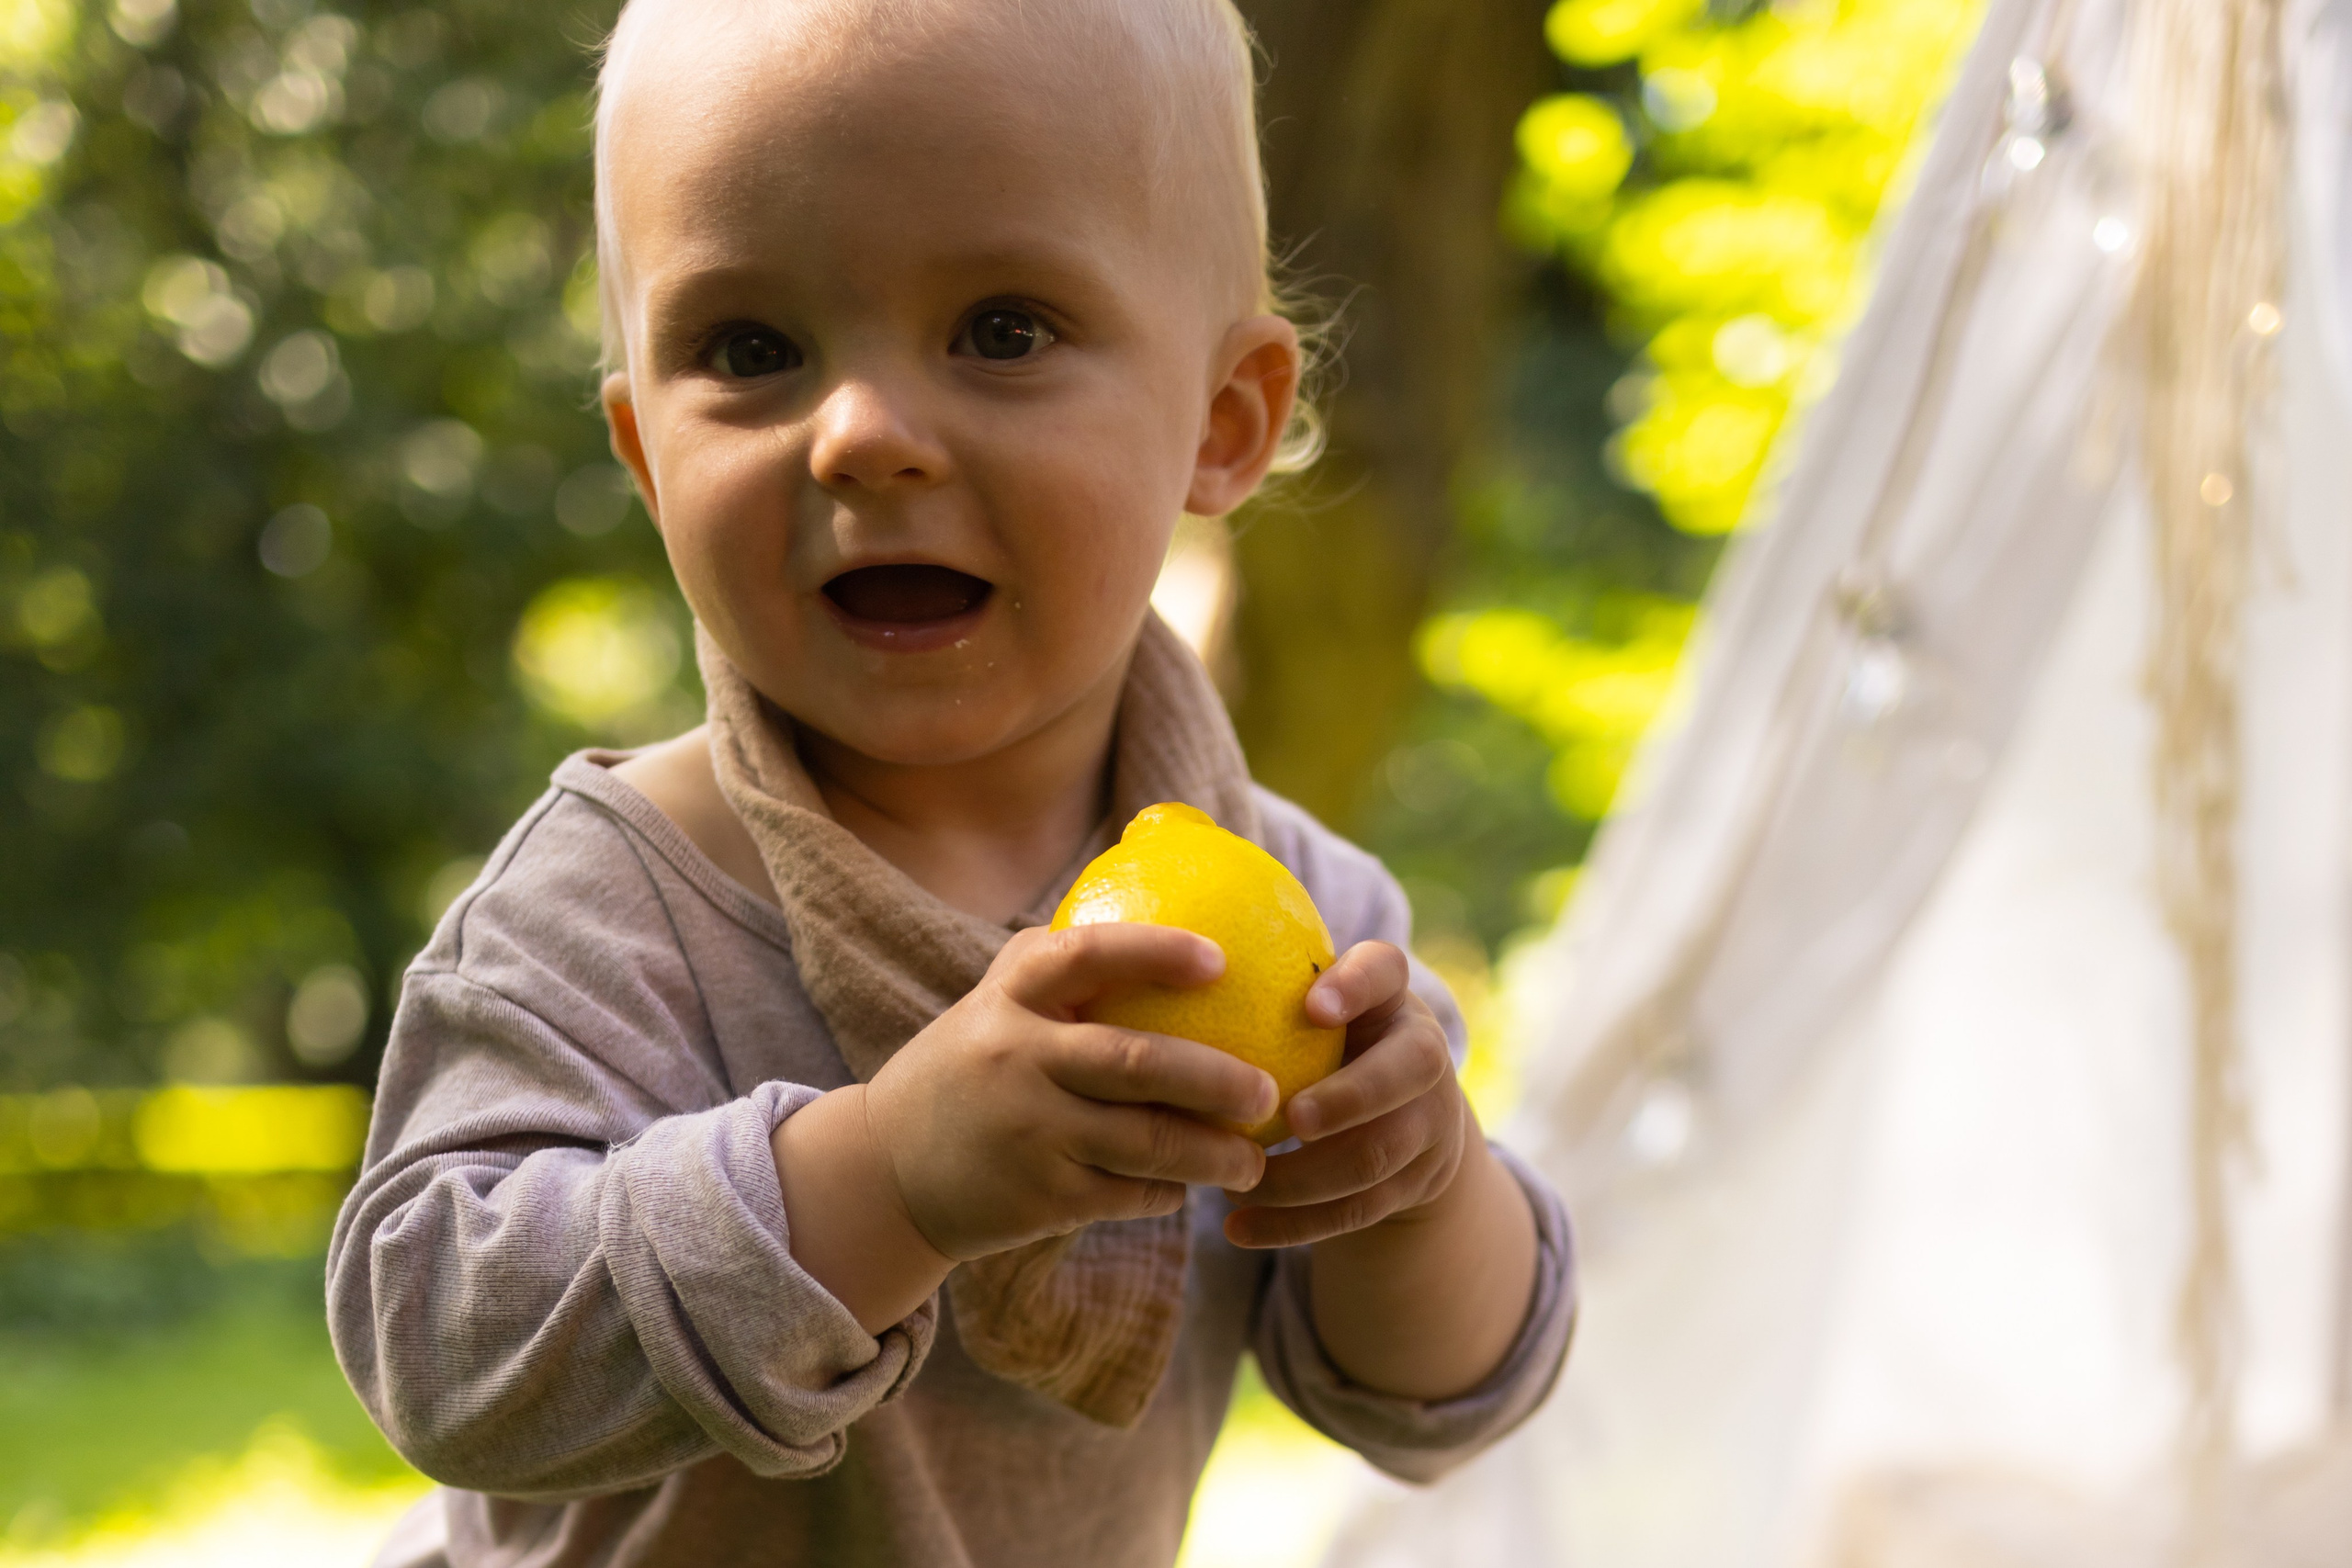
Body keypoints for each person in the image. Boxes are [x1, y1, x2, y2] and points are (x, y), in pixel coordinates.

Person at [327, 1, 1575, 1562]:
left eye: (1002, 328)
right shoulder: (611, 907)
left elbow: (1442, 1398)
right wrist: (890, 1178)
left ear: (1224, 420)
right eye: (753, 350)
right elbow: (440, 1347)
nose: (861, 436)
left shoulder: (1292, 919)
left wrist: (1416, 1188)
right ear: (648, 457)